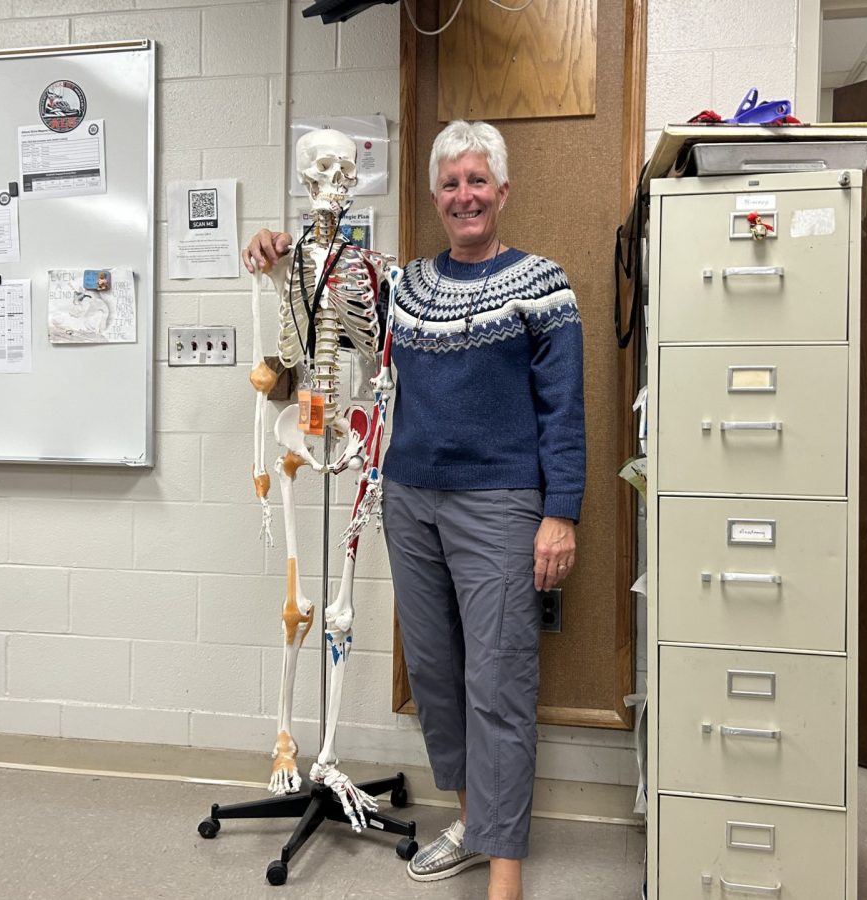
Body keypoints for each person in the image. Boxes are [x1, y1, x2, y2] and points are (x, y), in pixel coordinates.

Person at [243, 120, 585, 900]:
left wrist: (560, 512)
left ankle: (506, 875)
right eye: (451, 183)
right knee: (435, 676)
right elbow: (330, 303)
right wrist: (275, 253)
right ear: (435, 196)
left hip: (501, 503)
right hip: (412, 501)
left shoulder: (541, 283)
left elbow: (564, 409)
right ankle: (472, 823)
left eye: (478, 180)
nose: (464, 195)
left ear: (502, 191)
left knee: (499, 680)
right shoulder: (410, 287)